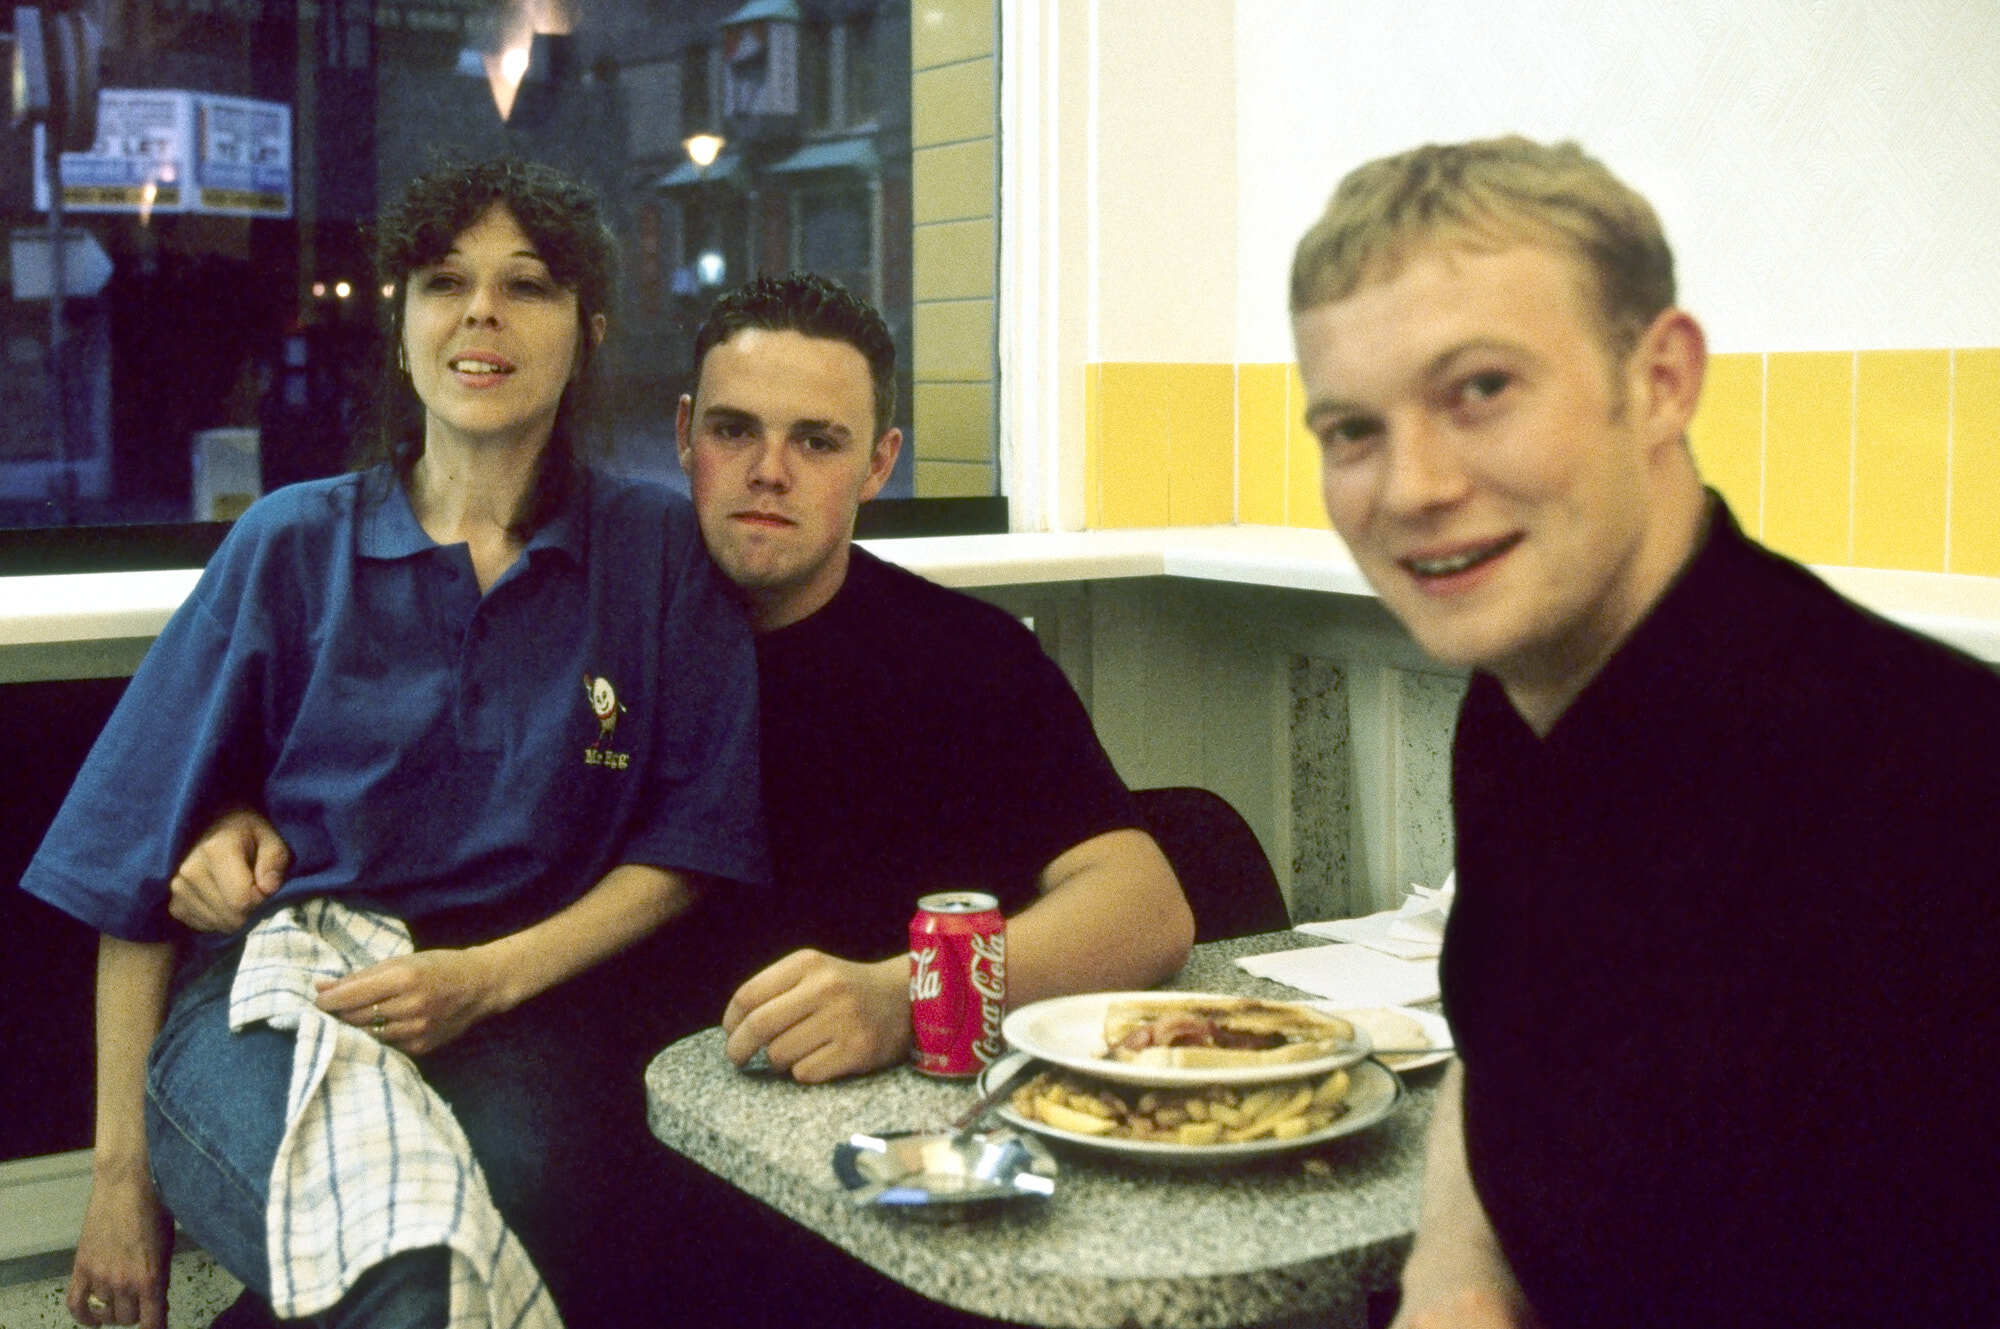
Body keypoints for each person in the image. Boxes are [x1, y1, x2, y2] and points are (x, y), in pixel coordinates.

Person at [20, 157, 766, 1329]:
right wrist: (120, 1186)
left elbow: (692, 845)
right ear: (402, 321)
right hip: (276, 999)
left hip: (521, 1009)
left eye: (526, 285)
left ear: (588, 330)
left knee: (461, 1238)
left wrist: (486, 979)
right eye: (442, 281)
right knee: (412, 1267)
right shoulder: (288, 545)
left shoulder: (657, 555)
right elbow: (132, 875)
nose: (481, 310)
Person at [1288, 135, 2000, 1328]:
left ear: (1660, 379)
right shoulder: (1520, 692)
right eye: (1351, 429)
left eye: (1479, 389)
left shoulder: (1928, 793)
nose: (1409, 486)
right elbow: (1507, 1044)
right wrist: (1451, 1278)